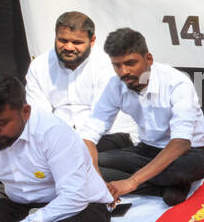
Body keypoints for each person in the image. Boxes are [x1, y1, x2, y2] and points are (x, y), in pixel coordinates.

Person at [0, 75, 115, 222]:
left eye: (0, 123)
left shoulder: (53, 132)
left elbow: (74, 197)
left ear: (26, 112)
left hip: (78, 207)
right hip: (19, 205)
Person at [81, 28, 204, 206]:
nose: (123, 71)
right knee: (86, 163)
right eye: (117, 65)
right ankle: (163, 188)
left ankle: (156, 182)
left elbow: (181, 142)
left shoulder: (177, 83)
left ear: (148, 59)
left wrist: (132, 181)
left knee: (188, 168)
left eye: (130, 63)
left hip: (187, 153)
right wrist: (97, 181)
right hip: (146, 151)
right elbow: (89, 136)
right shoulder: (115, 85)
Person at [24, 11, 138, 149]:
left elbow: (100, 121)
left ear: (92, 41)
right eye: (63, 40)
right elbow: (39, 116)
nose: (69, 47)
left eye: (77, 42)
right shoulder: (39, 66)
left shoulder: (108, 66)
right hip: (59, 140)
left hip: (109, 136)